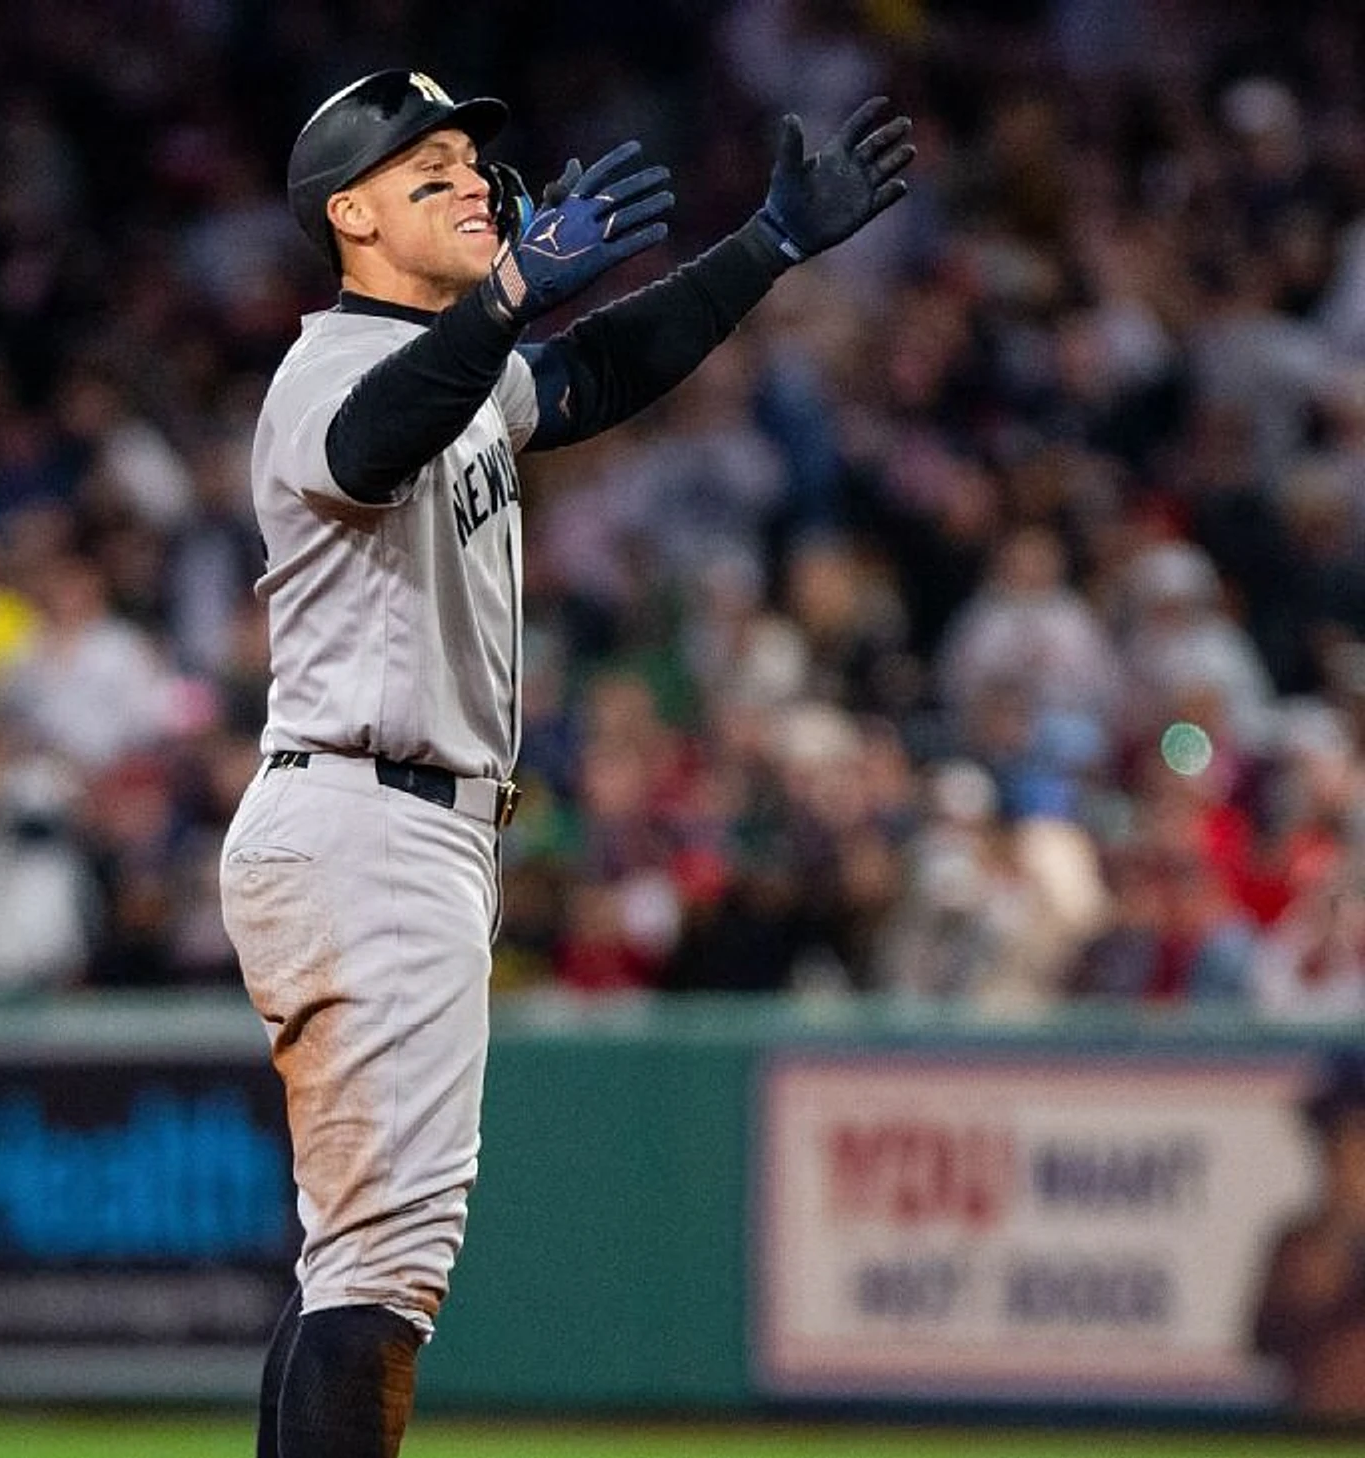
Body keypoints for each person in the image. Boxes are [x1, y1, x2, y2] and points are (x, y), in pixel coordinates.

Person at [223, 71, 913, 1455]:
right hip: (366, 816)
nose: (475, 182)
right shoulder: (329, 370)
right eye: (429, 172)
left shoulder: (456, 366)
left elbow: (596, 371)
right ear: (351, 217)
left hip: (398, 826)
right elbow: (369, 443)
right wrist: (503, 299)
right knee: (383, 1264)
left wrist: (765, 245)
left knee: (354, 1258)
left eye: (474, 162)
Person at [1253, 1046, 1365, 1419]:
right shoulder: (1300, 1243)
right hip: (1315, 1427)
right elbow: (1265, 1340)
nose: (1344, 1160)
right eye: (1332, 1142)